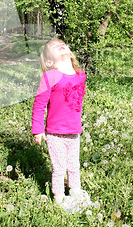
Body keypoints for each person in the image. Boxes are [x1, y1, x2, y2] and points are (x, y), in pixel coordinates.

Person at [31, 38, 91, 213]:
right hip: (55, 133)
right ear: (49, 61)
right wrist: (37, 129)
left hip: (74, 132)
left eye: (62, 44)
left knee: (74, 165)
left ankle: (75, 192)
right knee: (59, 168)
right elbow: (39, 104)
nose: (60, 45)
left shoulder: (80, 75)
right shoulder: (50, 76)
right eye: (54, 47)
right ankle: (58, 198)